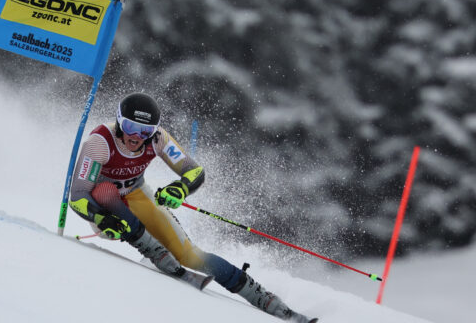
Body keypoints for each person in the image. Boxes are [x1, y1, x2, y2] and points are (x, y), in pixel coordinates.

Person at [69, 92, 314, 323]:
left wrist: (181, 188)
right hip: (104, 208)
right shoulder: (100, 143)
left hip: (136, 194)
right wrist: (100, 217)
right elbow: (78, 195)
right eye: (131, 127)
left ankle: (263, 297)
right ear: (119, 123)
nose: (137, 137)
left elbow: (194, 171)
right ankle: (154, 251)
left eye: (145, 131)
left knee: (188, 255)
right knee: (105, 191)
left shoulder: (158, 139)